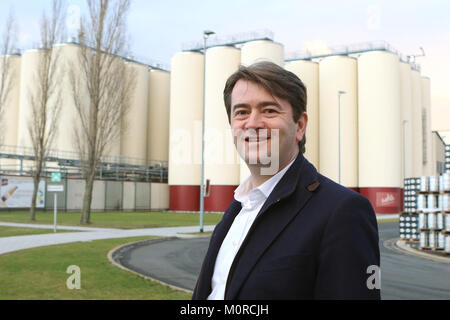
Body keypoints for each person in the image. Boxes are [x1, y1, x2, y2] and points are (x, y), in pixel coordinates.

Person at [192, 61, 381, 300]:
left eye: (269, 110)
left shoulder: (342, 212)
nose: (252, 123)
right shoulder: (237, 211)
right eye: (241, 112)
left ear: (300, 126)